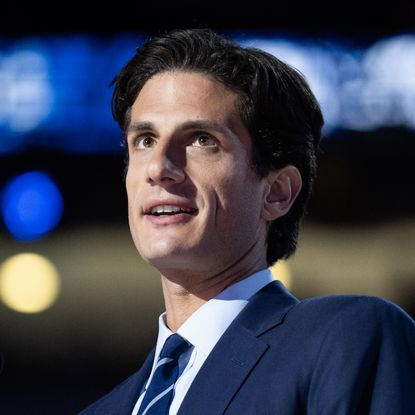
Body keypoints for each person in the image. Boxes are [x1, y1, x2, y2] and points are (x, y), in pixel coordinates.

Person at [80, 28, 415, 414]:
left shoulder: (344, 340)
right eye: (144, 140)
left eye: (202, 139)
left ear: (276, 193)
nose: (158, 168)